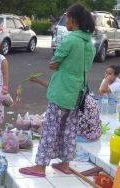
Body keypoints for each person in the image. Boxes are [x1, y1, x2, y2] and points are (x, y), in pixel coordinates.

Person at [19, 3, 96, 177]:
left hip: (62, 91)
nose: (66, 21)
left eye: (67, 17)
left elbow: (53, 63)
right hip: (79, 93)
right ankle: (65, 164)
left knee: (50, 129)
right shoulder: (89, 43)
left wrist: (59, 64)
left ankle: (39, 167)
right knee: (69, 130)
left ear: (73, 20)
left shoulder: (70, 39)